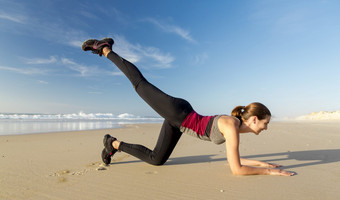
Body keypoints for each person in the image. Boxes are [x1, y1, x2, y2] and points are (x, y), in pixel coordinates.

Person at [82, 38, 295, 176]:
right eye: (266, 123)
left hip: (179, 122)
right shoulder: (231, 125)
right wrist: (268, 173)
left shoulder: (236, 127)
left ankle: (112, 144)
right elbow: (236, 169)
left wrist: (263, 164)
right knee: (139, 84)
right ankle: (105, 49)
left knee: (156, 159)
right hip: (179, 113)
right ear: (255, 119)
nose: (266, 127)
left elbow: (236, 158)